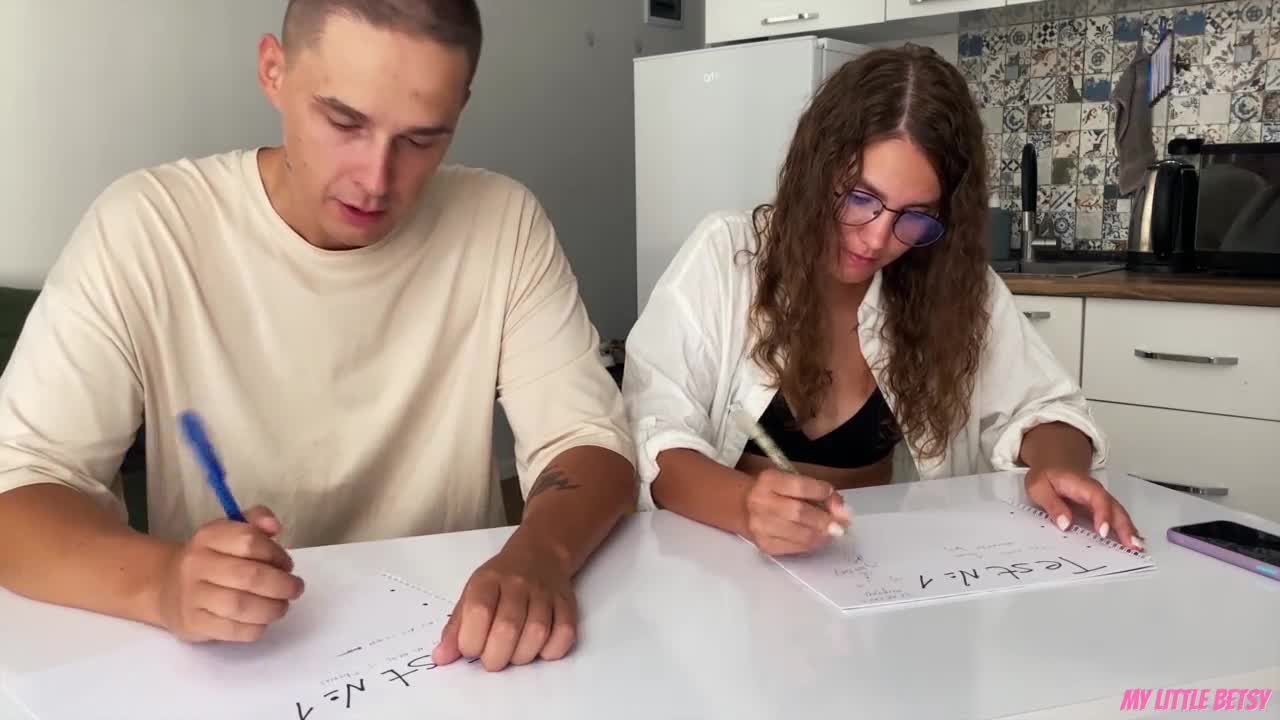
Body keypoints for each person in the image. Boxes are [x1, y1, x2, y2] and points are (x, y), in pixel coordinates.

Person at [0, 0, 637, 673]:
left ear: (460, 108)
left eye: (421, 139)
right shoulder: (148, 230)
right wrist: (161, 583)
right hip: (227, 665)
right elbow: (20, 485)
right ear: (273, 71)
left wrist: (541, 552)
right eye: (344, 122)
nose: (376, 179)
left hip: (452, 655)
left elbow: (588, 442)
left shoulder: (502, 224)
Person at [621, 45, 1144, 558]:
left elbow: (1046, 407)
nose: (876, 240)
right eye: (859, 197)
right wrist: (743, 506)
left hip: (884, 568)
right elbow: (655, 431)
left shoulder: (955, 285)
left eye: (915, 216)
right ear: (816, 171)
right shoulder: (728, 255)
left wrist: (1057, 466)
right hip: (727, 566)